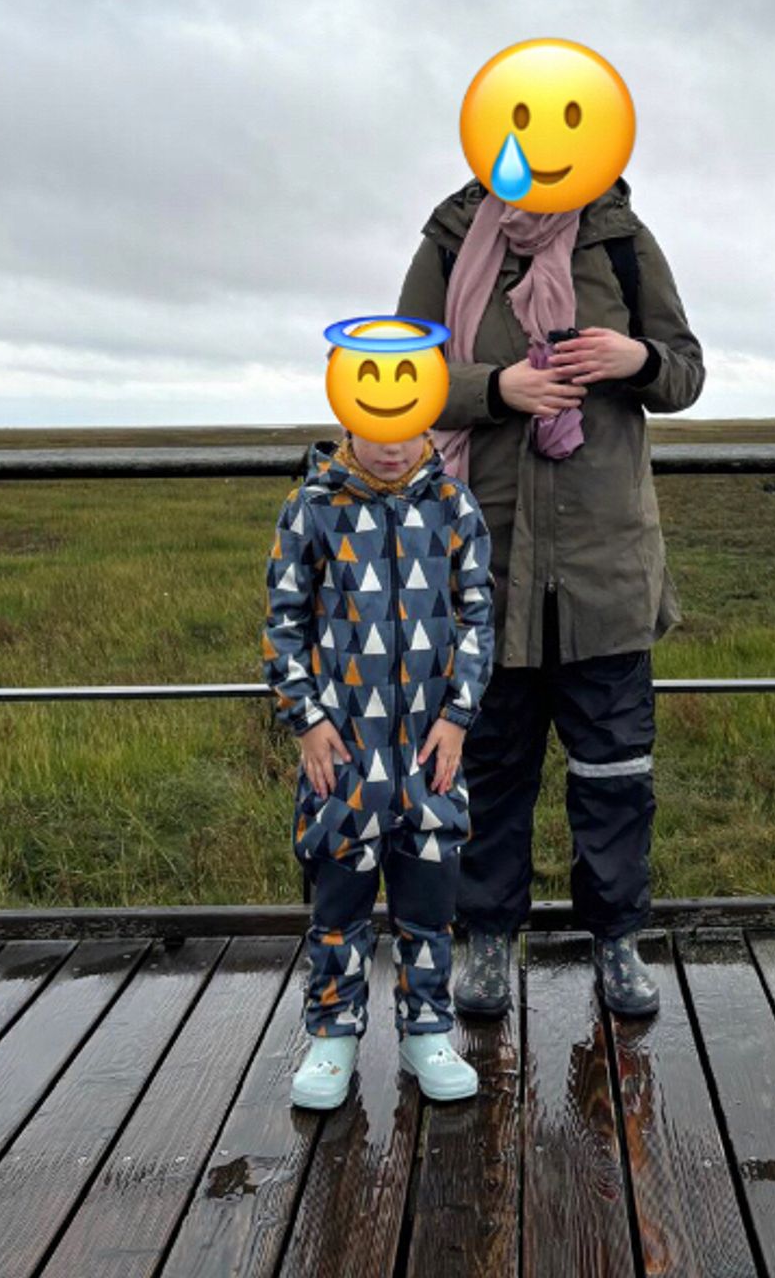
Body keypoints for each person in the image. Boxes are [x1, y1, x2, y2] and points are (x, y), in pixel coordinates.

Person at [396, 172, 704, 1016]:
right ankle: (487, 944)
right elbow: (396, 380)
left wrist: (633, 358)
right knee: (488, 770)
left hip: (606, 563)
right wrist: (498, 390)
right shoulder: (452, 239)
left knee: (615, 771)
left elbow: (684, 373)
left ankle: (617, 943)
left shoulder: (619, 237)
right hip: (480, 563)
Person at [261, 418, 493, 1109]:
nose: (389, 447)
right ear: (346, 425)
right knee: (339, 906)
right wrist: (304, 719)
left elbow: (477, 616)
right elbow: (283, 622)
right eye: (372, 432)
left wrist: (457, 718)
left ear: (425, 424)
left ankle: (427, 1030)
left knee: (429, 904)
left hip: (430, 755)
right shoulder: (310, 507)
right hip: (343, 758)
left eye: (405, 431)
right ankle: (332, 1037)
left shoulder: (453, 505)